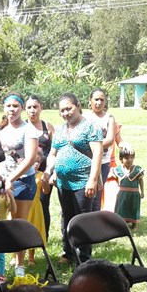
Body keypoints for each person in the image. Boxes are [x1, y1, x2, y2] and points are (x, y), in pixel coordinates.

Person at [41, 93, 103, 265]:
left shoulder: (90, 126)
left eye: (69, 108)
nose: (65, 113)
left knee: (83, 220)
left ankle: (84, 259)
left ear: (78, 106)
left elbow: (97, 153)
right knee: (67, 218)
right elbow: (53, 154)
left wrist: (92, 180)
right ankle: (68, 253)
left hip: (83, 182)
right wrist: (49, 171)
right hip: (63, 183)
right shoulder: (60, 130)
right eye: (62, 110)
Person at [0, 93, 40, 276]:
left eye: (15, 106)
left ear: (21, 108)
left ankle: (19, 267)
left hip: (22, 182)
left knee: (18, 225)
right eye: (8, 106)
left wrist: (11, 179)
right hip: (1, 182)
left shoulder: (28, 130)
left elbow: (30, 159)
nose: (12, 109)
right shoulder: (1, 129)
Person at [25, 95, 54, 266]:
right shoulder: (22, 127)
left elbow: (55, 149)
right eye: (29, 107)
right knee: (25, 210)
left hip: (44, 174)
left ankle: (43, 240)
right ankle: (23, 245)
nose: (32, 110)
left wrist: (49, 171)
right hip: (26, 175)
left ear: (41, 108)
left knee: (43, 206)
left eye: (35, 107)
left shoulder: (47, 126)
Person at [84, 88, 116, 210]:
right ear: (90, 100)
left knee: (97, 196)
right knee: (85, 194)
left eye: (102, 100)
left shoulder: (109, 118)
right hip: (86, 161)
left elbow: (110, 140)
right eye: (96, 99)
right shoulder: (84, 117)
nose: (99, 102)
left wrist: (93, 147)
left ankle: (95, 219)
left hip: (103, 162)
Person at [113, 143, 145, 229]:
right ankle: (122, 223)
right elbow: (114, 180)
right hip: (122, 193)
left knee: (133, 208)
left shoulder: (137, 170)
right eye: (126, 158)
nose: (129, 160)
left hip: (134, 193)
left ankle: (134, 224)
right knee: (122, 207)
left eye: (131, 157)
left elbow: (141, 180)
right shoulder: (118, 170)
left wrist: (142, 191)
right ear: (121, 159)